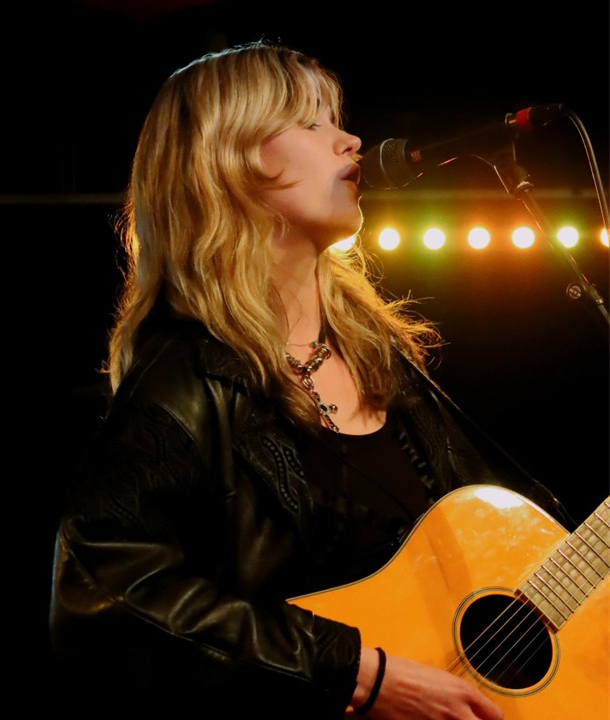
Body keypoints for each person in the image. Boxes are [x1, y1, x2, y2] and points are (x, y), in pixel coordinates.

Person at [48, 42, 573, 719]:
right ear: (233, 158)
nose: (351, 140)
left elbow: (508, 547)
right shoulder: (185, 377)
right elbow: (100, 589)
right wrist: (357, 672)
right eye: (314, 122)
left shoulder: (381, 357)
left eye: (339, 120)